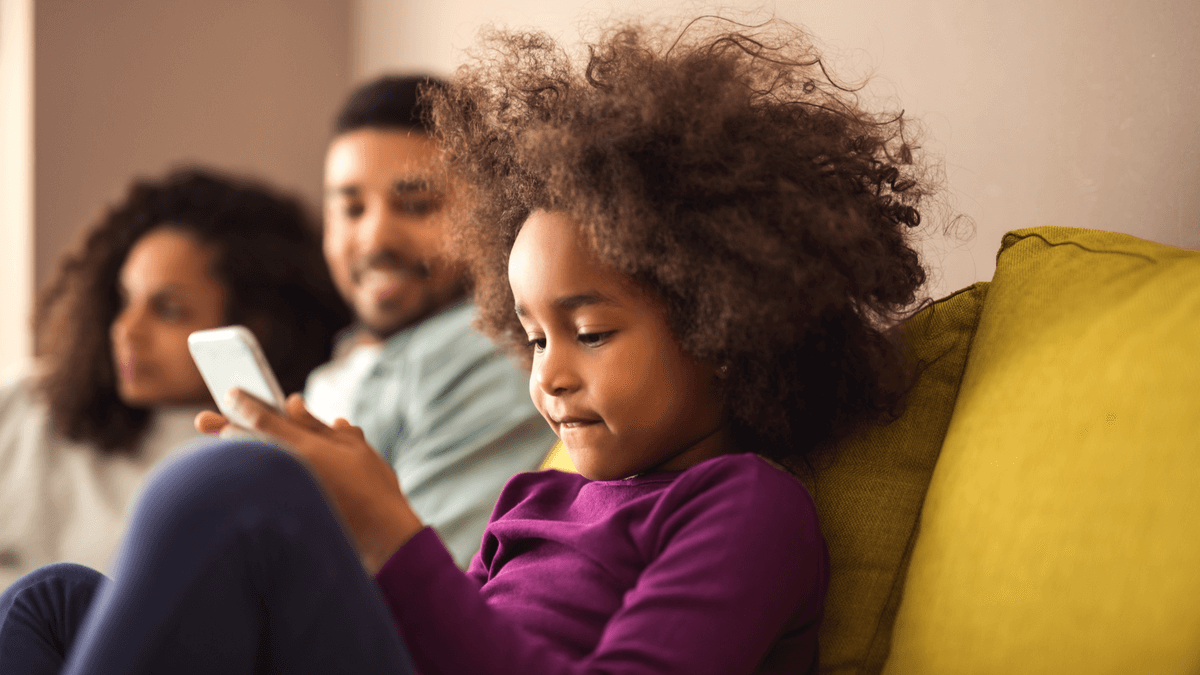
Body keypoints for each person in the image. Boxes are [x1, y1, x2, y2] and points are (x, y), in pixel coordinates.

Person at [0, 17, 936, 674]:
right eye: (531, 337)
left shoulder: (744, 507)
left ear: (728, 323)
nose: (549, 375)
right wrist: (360, 524)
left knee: (239, 491)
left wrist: (392, 532)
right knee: (50, 602)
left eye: (592, 331)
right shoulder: (540, 495)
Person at [0, 168, 351, 591]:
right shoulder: (27, 406)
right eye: (124, 299)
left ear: (257, 326)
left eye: (168, 309)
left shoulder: (273, 459)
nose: (126, 330)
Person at [305, 75, 558, 567]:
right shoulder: (343, 367)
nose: (376, 238)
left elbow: (419, 586)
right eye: (351, 208)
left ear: (488, 214)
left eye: (418, 205)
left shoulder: (490, 351)